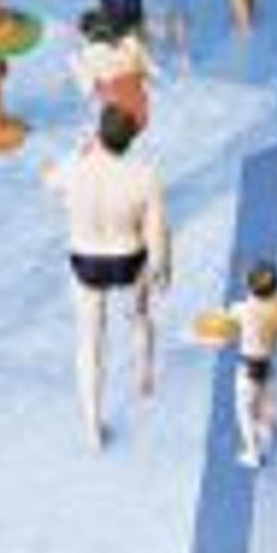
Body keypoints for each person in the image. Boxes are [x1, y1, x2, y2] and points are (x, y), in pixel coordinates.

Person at [46, 104, 171, 450]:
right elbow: (157, 231)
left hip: (86, 260)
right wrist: (161, 268)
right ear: (132, 140)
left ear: (97, 133)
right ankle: (143, 376)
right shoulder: (145, 176)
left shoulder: (74, 168)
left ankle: (92, 426)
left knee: (90, 341)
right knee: (139, 316)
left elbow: (48, 179)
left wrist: (77, 152)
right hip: (128, 258)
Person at [228, 261, 277, 469]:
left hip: (249, 366)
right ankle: (272, 428)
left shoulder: (242, 310)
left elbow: (227, 327)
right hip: (269, 360)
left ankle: (252, 453)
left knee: (244, 409)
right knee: (268, 398)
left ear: (249, 286)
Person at [70, 9, 155, 132]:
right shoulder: (129, 47)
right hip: (118, 79)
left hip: (114, 80)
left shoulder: (90, 58)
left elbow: (89, 88)